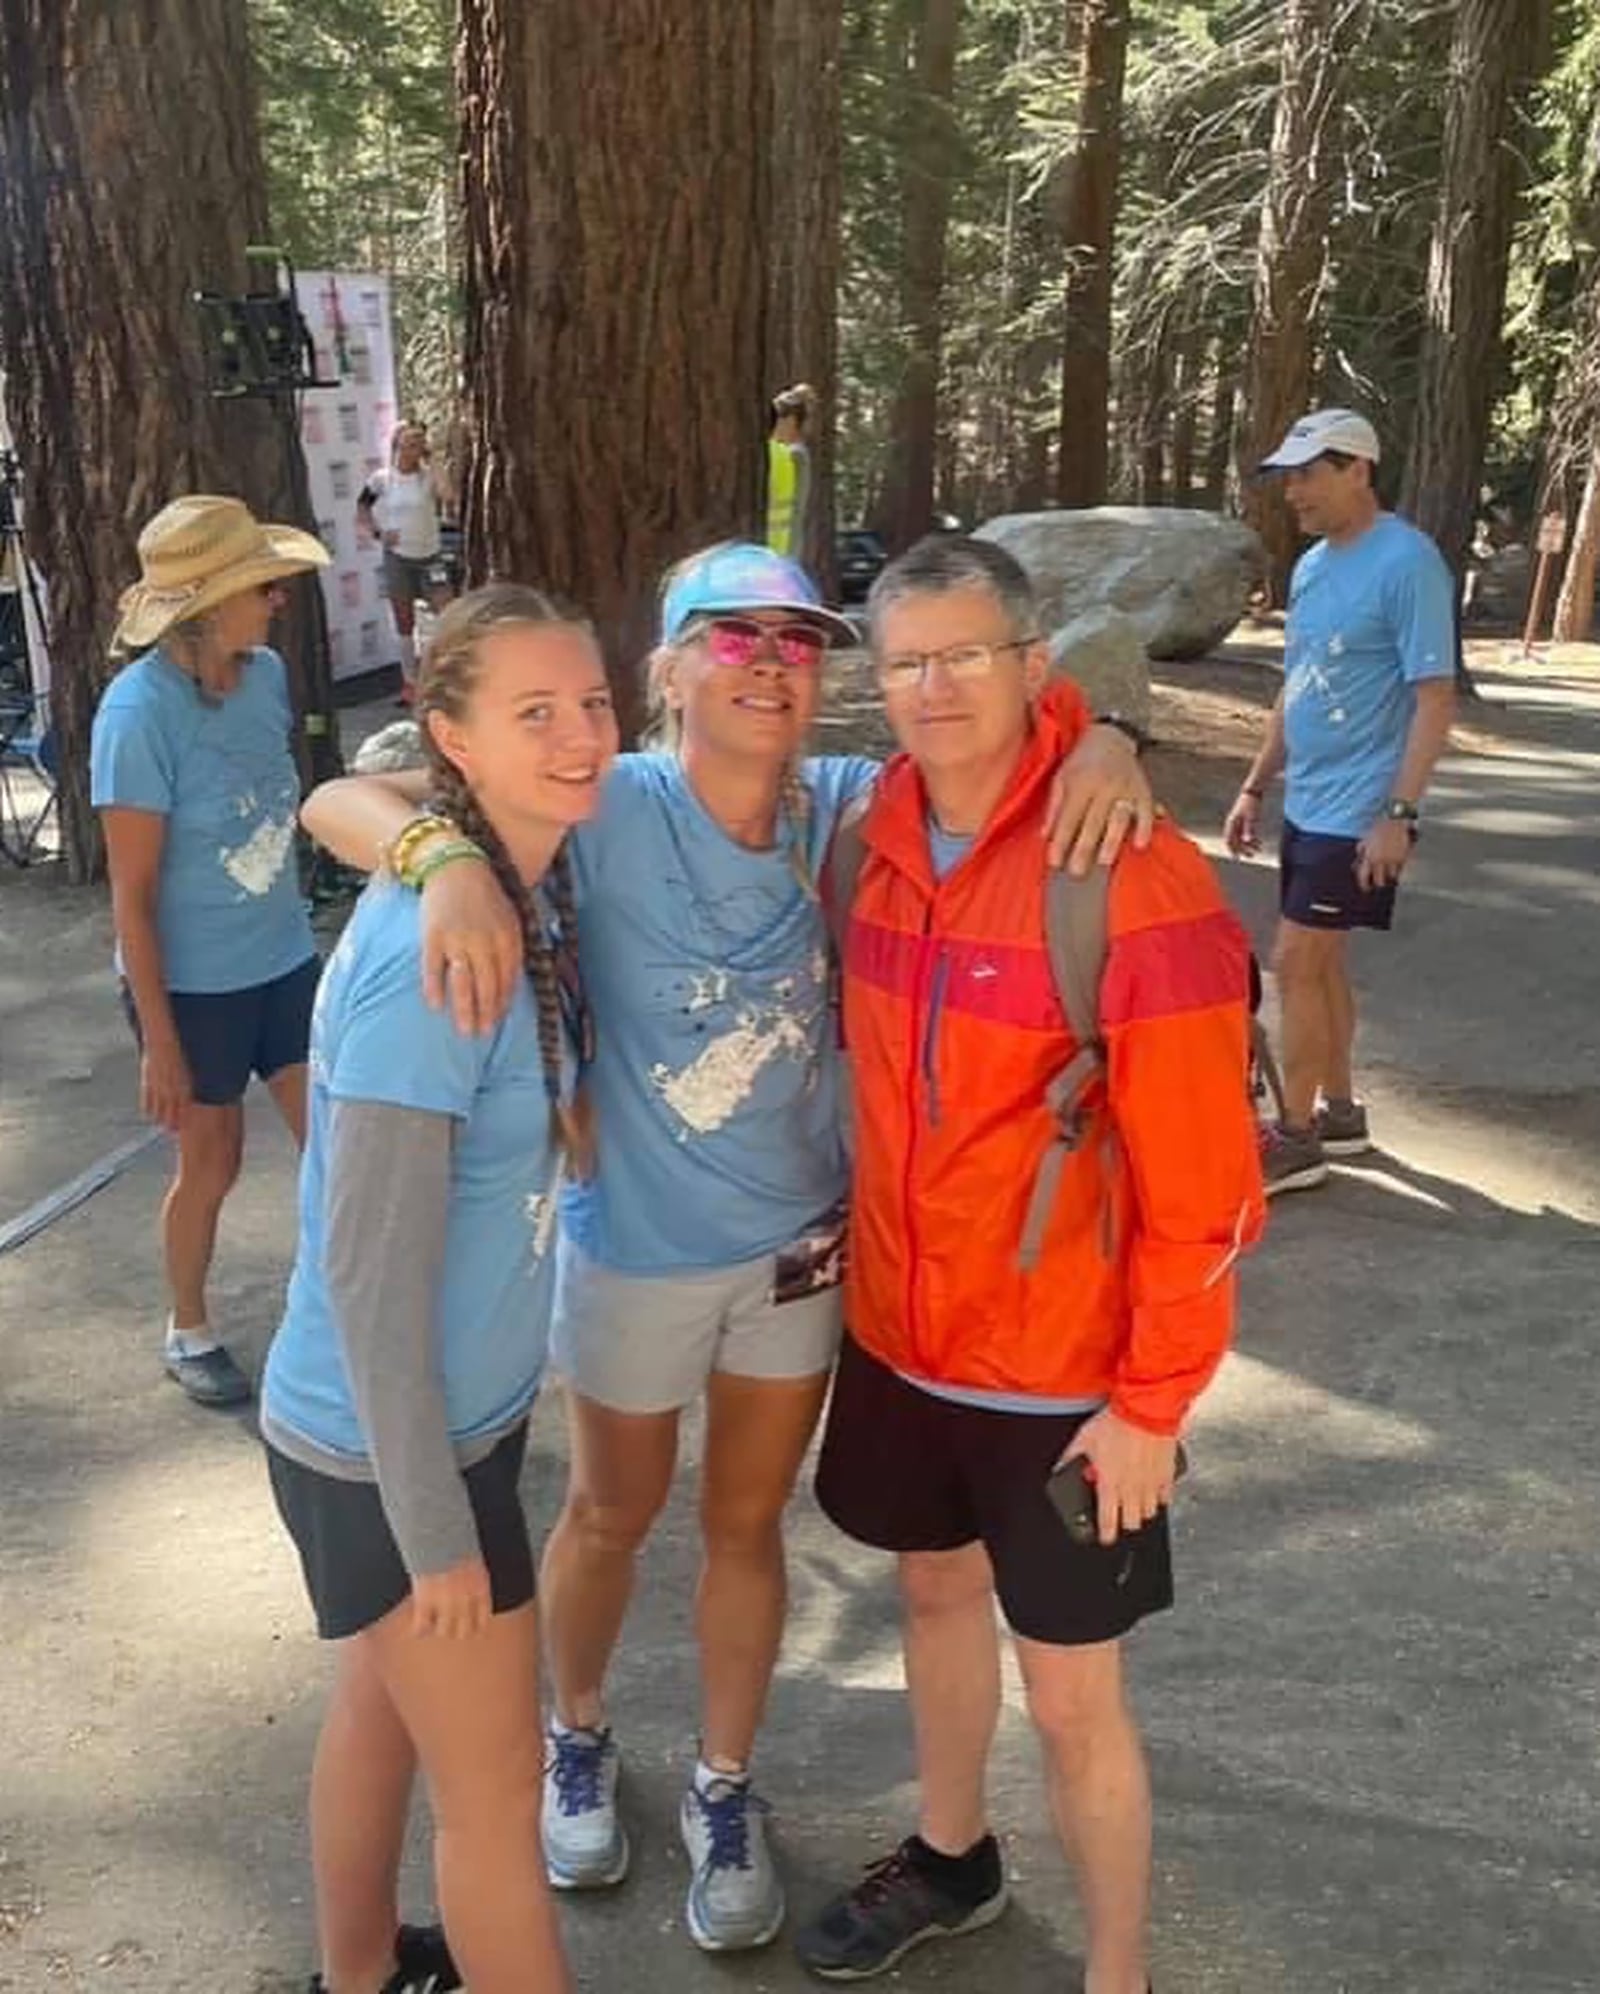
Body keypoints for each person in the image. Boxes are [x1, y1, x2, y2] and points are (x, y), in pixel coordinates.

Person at [300, 540, 1154, 1956]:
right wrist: (440, 858)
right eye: (733, 637)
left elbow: (1007, 749)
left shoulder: (850, 809)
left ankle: (724, 1779)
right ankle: (578, 1735)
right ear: (671, 670)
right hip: (634, 1244)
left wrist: (1110, 738)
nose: (770, 663)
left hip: (797, 1258)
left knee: (747, 1523)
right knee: (613, 1514)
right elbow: (341, 793)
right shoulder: (602, 797)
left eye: (798, 641)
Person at [792, 536, 1265, 1994]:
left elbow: (1210, 1182)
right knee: (931, 1598)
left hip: (1064, 1372)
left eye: (966, 655)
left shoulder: (1130, 870)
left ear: (1030, 662)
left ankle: (1113, 1973)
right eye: (907, 661)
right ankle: (950, 1856)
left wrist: (1154, 1403)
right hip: (899, 1334)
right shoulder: (865, 834)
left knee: (1072, 1695)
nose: (934, 688)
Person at [261, 584, 616, 1994]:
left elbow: (352, 795)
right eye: (535, 713)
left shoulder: (503, 870)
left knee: (381, 1705)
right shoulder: (435, 972)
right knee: (494, 1803)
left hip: (427, 1428)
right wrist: (436, 1536)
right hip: (385, 1452)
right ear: (453, 740)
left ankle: (353, 1975)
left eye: (592, 700)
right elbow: (365, 1279)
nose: (583, 735)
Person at [90, 495, 329, 1407]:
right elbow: (133, 895)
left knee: (339, 1142)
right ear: (204, 607)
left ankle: (349, 1312)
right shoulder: (136, 715)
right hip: (191, 989)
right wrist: (159, 1040)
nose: (277, 599)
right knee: (213, 1160)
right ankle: (187, 1326)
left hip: (282, 961)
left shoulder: (264, 675)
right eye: (261, 586)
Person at [1224, 409, 1457, 1194]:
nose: (1293, 492)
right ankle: (1343, 1115)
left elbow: (1433, 696)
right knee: (1321, 967)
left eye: (1308, 474)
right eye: (1288, 477)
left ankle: (1295, 1139)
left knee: (1295, 962)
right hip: (1308, 801)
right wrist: (1258, 783)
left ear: (1357, 468)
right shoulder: (1314, 567)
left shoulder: (1409, 562)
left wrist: (1398, 813)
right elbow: (1298, 685)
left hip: (1361, 807)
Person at [357, 421, 452, 703]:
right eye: (409, 443)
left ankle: (442, 678)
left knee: (446, 614)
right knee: (404, 621)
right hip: (399, 557)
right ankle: (411, 684)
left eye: (420, 444)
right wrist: (377, 533)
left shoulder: (428, 477)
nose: (414, 450)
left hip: (431, 556)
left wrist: (433, 460)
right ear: (396, 446)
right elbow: (362, 509)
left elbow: (448, 495)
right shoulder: (381, 479)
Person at [765, 385, 814, 561]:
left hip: (783, 548)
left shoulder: (794, 455)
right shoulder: (789, 452)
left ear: (791, 420)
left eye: (776, 419)